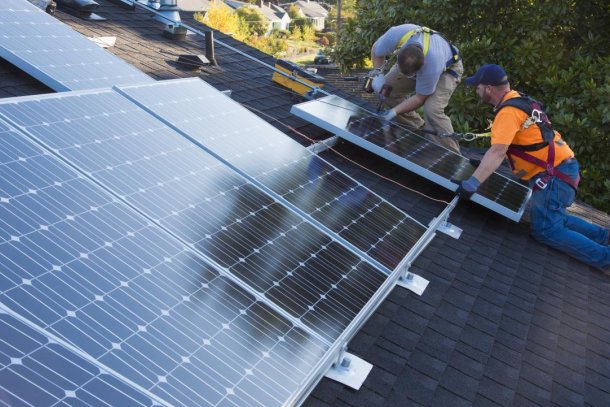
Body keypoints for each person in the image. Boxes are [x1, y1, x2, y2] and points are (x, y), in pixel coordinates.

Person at [457, 64, 609, 270]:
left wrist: (473, 182)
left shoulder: (508, 112)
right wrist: (483, 162)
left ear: (489, 88)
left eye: (477, 86)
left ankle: (604, 257)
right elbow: (522, 144)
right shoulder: (519, 99)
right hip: (563, 169)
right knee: (557, 218)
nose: (476, 90)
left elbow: (499, 151)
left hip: (554, 177)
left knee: (547, 230)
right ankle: (605, 237)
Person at [369, 24, 463, 152]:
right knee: (387, 90)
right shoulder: (395, 36)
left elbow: (420, 98)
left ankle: (452, 154)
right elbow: (376, 50)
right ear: (400, 52)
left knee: (432, 109)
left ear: (421, 68)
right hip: (416, 61)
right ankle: (421, 131)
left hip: (448, 69)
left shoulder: (431, 66)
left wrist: (394, 112)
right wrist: (378, 73)